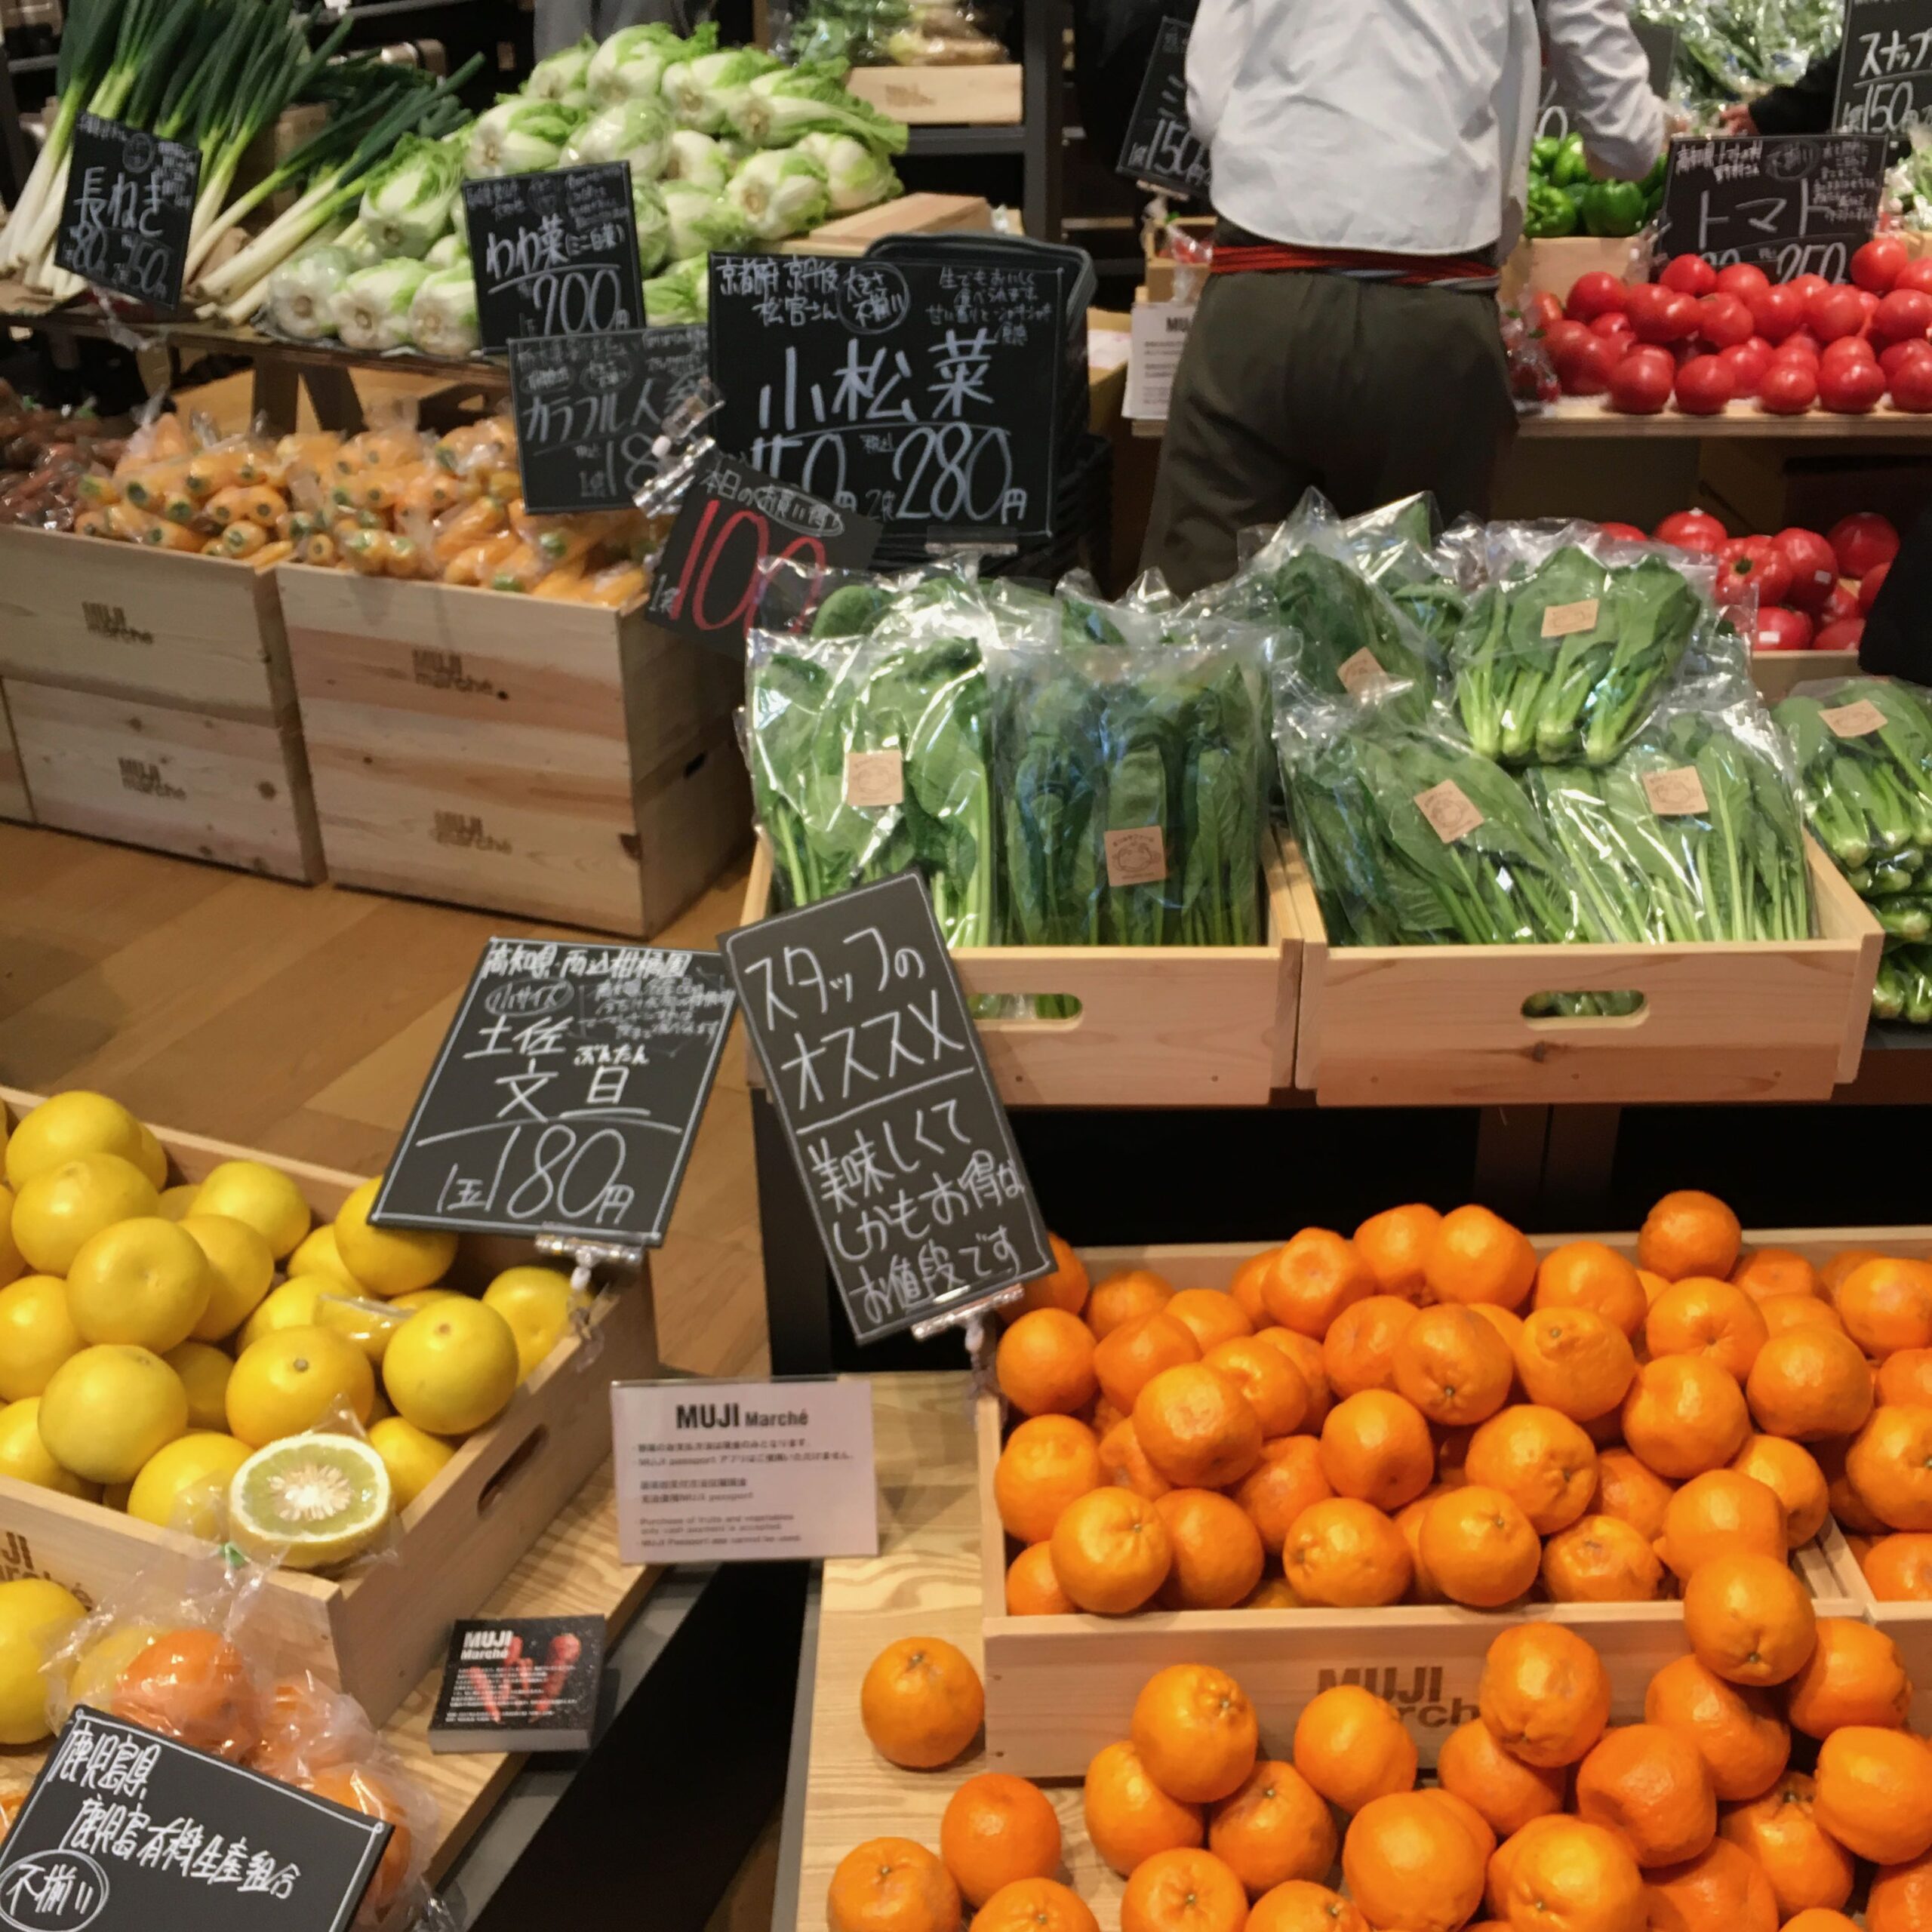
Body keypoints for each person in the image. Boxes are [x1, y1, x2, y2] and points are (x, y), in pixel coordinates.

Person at [1143, 0, 1666, 595]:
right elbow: (1626, 137)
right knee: (1411, 618)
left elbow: (1208, 104)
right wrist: (1641, 134)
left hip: (1261, 292)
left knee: (1199, 617)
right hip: (1431, 311)